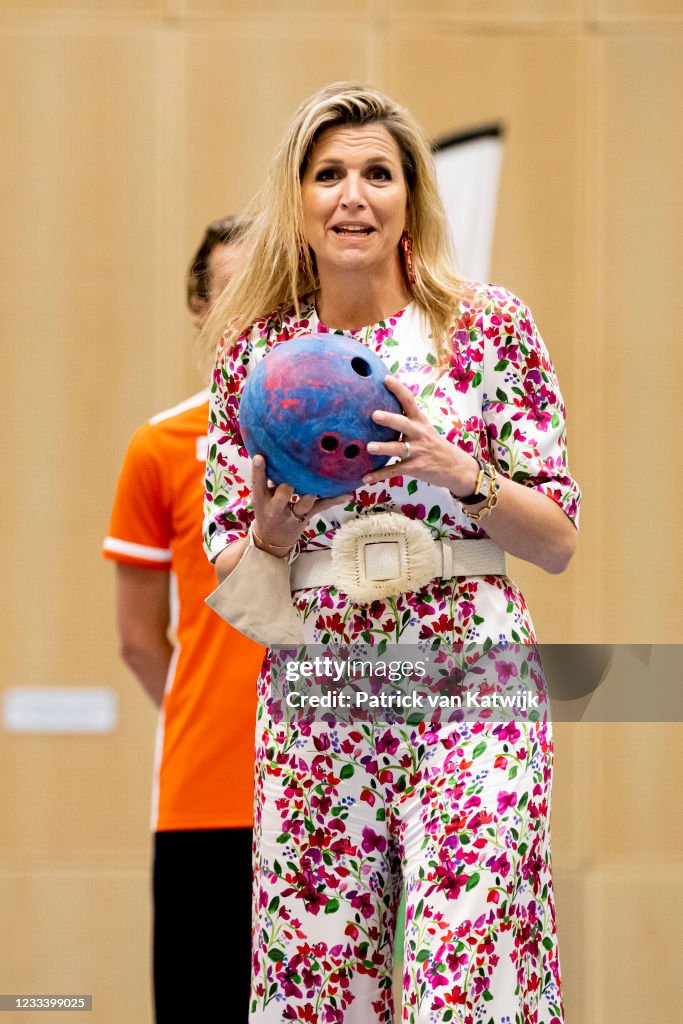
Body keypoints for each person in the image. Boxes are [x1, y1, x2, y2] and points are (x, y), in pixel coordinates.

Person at [202, 84, 580, 1024]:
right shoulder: (257, 353)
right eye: (328, 174)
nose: (352, 195)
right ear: (298, 199)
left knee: (467, 955)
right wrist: (275, 531)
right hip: (322, 684)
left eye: (377, 172)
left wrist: (463, 473)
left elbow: (560, 541)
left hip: (471, 671)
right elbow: (230, 562)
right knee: (316, 975)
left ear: (412, 194)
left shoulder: (487, 326)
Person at [103, 216, 264, 1022]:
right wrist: (212, 710)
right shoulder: (162, 446)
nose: (244, 313)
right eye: (226, 291)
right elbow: (138, 641)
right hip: (207, 795)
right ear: (197, 308)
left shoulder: (352, 439)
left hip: (342, 784)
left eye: (264, 289)